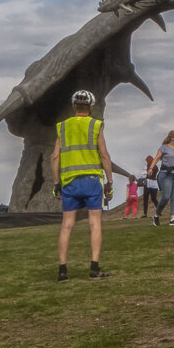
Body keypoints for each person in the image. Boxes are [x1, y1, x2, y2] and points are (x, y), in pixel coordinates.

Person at [51, 90, 115, 281]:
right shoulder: (95, 125)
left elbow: (55, 156)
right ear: (91, 107)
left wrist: (56, 183)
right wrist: (109, 182)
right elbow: (104, 154)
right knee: (94, 223)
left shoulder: (62, 127)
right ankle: (94, 268)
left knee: (66, 225)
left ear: (73, 106)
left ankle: (63, 271)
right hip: (92, 180)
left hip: (70, 181)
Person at [150, 131, 174, 226]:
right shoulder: (164, 147)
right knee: (165, 197)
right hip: (166, 174)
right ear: (172, 138)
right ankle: (156, 215)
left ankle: (173, 219)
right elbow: (157, 158)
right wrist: (151, 168)